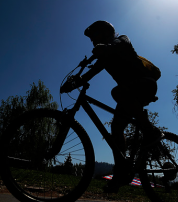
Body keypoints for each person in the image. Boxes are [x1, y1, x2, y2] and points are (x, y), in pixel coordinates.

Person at [61, 21, 162, 193]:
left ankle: (150, 130)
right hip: (129, 92)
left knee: (117, 92)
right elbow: (90, 74)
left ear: (106, 33)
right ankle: (121, 173)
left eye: (95, 36)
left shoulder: (122, 40)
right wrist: (73, 83)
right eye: (91, 39)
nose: (93, 41)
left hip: (145, 85)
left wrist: (105, 47)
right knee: (116, 128)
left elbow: (117, 44)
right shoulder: (105, 58)